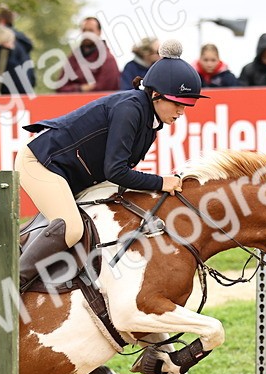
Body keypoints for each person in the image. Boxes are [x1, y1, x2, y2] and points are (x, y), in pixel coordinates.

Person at [15, 39, 205, 290]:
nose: (182, 111)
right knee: (71, 229)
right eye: (178, 103)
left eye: (186, 105)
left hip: (67, 174)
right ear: (156, 95)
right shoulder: (130, 109)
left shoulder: (150, 122)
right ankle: (9, 285)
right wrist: (161, 182)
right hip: (39, 163)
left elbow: (116, 175)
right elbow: (115, 171)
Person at [55, 16, 120, 93]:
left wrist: (76, 89)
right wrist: (80, 88)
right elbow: (60, 88)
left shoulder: (108, 60)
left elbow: (104, 89)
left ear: (99, 32)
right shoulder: (73, 59)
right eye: (84, 30)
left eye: (91, 31)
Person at [0, 5, 35, 95]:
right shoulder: (21, 42)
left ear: (1, 22)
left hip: (9, 97)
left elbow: (5, 72)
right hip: (25, 95)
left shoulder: (4, 41)